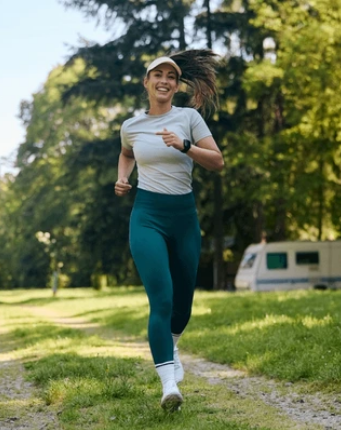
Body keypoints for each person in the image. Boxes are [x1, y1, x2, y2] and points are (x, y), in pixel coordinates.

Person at [115, 50, 224, 411]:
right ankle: (168, 385)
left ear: (176, 86)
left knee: (183, 303)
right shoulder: (131, 125)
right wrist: (122, 177)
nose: (164, 81)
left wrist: (185, 146)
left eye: (171, 77)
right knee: (161, 299)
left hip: (183, 217)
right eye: (157, 75)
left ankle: (171, 345)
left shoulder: (188, 118)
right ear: (146, 82)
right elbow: (127, 152)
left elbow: (217, 161)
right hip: (147, 215)